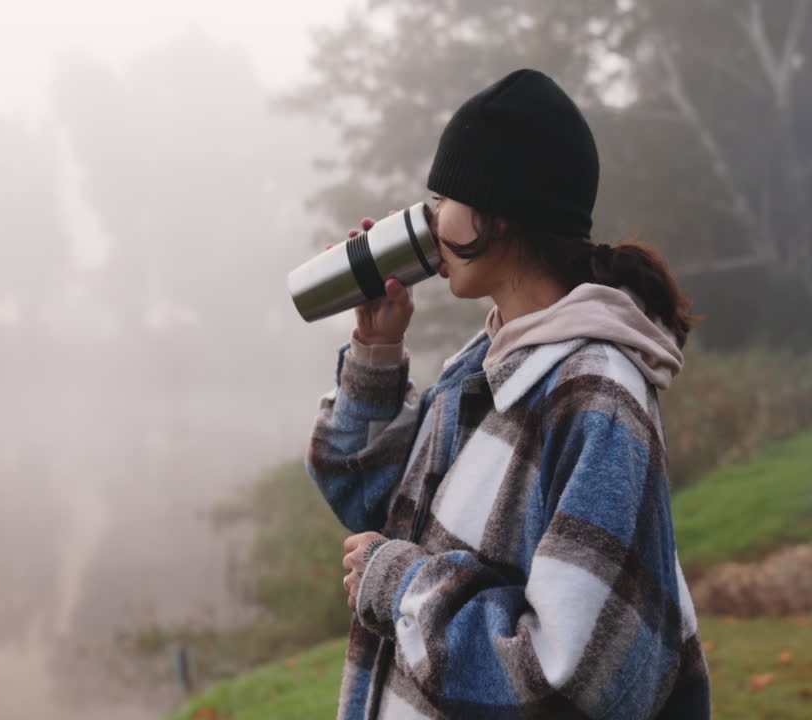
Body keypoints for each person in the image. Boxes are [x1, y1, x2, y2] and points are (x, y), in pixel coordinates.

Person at [305, 68, 711, 719]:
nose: (432, 220)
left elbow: (574, 678)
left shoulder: (596, 398)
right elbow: (366, 499)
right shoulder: (488, 359)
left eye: (447, 197)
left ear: (500, 214)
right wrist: (375, 354)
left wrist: (403, 587)